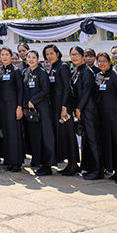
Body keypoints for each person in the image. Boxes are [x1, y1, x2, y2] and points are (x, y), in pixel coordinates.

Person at [44, 44, 78, 176]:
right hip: (55, 106)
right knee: (63, 135)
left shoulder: (63, 66)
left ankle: (74, 164)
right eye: (47, 54)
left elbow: (67, 88)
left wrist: (64, 108)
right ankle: (69, 163)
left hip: (64, 106)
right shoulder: (52, 67)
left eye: (51, 53)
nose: (49, 56)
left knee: (69, 135)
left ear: (57, 53)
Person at [95, 52, 117, 183]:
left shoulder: (116, 76)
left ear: (109, 62)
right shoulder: (98, 76)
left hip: (115, 114)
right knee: (108, 143)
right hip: (102, 115)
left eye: (104, 61)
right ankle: (113, 169)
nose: (102, 63)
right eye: (100, 61)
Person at [70, 46, 101, 180]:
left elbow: (87, 92)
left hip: (88, 110)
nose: (74, 57)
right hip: (81, 110)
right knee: (85, 140)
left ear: (82, 55)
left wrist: (79, 108)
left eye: (76, 54)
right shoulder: (77, 70)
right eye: (72, 54)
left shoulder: (87, 71)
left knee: (93, 140)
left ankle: (98, 169)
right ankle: (88, 166)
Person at [23, 50, 54, 176]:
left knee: (45, 137)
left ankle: (47, 165)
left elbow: (46, 90)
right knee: (35, 137)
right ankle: (38, 161)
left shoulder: (41, 72)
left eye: (33, 57)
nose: (31, 60)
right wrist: (26, 104)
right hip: (31, 110)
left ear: (38, 59)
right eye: (29, 57)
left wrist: (33, 100)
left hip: (42, 109)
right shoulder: (26, 72)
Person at [0, 47, 23, 172]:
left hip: (13, 106)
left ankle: (16, 162)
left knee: (14, 134)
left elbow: (20, 90)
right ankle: (9, 161)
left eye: (7, 54)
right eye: (2, 55)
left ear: (11, 56)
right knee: (6, 133)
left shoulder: (16, 71)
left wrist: (19, 107)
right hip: (1, 106)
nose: (4, 57)